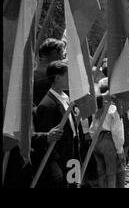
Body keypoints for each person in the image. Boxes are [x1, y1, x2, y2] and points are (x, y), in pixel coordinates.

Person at [35, 60, 82, 188]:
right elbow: (46, 140)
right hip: (61, 160)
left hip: (72, 155)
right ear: (56, 78)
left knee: (74, 185)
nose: (70, 80)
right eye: (67, 76)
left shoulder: (66, 98)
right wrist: (53, 164)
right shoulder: (47, 105)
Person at [90, 90, 125, 188]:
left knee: (101, 173)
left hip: (97, 140)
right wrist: (119, 150)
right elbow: (117, 132)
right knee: (111, 173)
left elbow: (92, 129)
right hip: (109, 140)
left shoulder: (97, 110)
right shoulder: (114, 109)